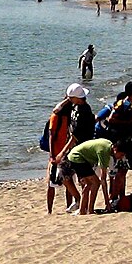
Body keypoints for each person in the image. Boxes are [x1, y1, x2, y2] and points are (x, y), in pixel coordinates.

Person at [44, 84, 95, 214]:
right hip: (74, 148)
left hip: (81, 148)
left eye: (71, 98)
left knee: (81, 178)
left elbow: (75, 137)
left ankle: (82, 205)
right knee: (64, 175)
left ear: (77, 98)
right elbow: (56, 110)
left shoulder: (84, 111)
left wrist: (61, 153)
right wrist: (69, 99)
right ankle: (78, 200)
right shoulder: (75, 106)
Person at [99, 81, 132, 208]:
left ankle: (120, 197)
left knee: (124, 169)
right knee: (121, 170)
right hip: (122, 142)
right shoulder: (123, 103)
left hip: (127, 141)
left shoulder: (129, 104)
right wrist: (128, 121)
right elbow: (111, 119)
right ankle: (114, 198)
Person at [61, 136, 116, 213]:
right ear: (115, 149)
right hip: (77, 158)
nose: (121, 157)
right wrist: (107, 202)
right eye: (121, 155)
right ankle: (89, 210)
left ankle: (83, 210)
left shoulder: (109, 144)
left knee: (89, 184)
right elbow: (103, 180)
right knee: (96, 183)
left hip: (76, 156)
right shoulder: (104, 152)